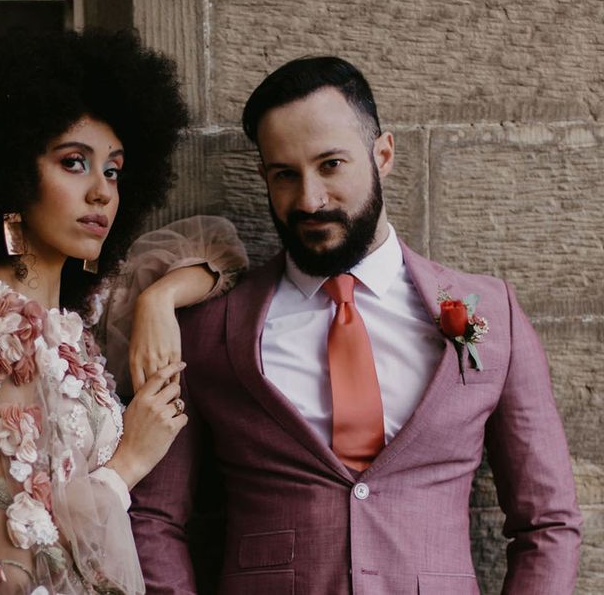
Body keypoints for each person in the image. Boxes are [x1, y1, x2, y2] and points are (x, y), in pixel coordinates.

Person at [129, 56, 583, 594]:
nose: (309, 199)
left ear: (383, 154)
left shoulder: (493, 312)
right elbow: (153, 518)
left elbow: (548, 521)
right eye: (284, 175)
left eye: (331, 165)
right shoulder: (212, 330)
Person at [0, 29, 247, 595]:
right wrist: (129, 462)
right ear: (10, 175)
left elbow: (224, 248)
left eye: (114, 169)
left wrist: (158, 300)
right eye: (74, 163)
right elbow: (4, 564)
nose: (102, 192)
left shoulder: (66, 316)